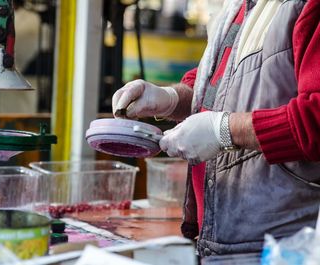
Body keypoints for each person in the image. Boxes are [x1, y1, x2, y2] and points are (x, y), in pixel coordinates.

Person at [112, 0, 320, 257]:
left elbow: (316, 118)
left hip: (282, 248)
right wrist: (171, 99)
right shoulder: (241, 6)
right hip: (221, 242)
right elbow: (222, 85)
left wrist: (223, 131)